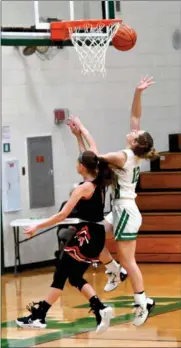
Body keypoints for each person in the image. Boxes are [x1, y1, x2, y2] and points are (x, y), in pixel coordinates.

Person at [68, 75, 158, 326]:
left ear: (137, 142)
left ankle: (143, 301)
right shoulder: (133, 151)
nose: (133, 129)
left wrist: (82, 129)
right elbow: (136, 117)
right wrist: (138, 91)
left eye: (136, 133)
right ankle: (114, 270)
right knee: (94, 237)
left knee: (130, 259)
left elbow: (93, 156)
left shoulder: (122, 156)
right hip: (120, 209)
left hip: (126, 210)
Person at [16, 151, 116, 333]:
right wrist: (80, 134)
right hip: (95, 234)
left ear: (82, 167)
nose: (75, 164)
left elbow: (62, 215)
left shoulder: (84, 188)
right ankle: (99, 308)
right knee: (73, 277)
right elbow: (91, 152)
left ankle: (40, 316)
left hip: (86, 236)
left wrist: (37, 226)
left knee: (61, 274)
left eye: (78, 162)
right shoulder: (99, 183)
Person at [67, 121, 128, 292]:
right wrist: (78, 135)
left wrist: (81, 127)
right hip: (96, 223)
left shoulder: (88, 184)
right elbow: (86, 154)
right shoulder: (96, 174)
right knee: (100, 249)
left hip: (91, 225)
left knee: (78, 263)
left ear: (82, 167)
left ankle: (115, 272)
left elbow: (91, 148)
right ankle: (117, 271)